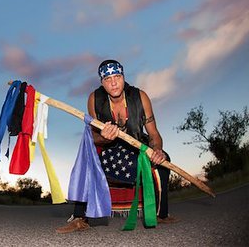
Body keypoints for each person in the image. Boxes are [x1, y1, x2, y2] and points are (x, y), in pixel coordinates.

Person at [56, 59, 178, 234]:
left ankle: (161, 214)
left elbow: (154, 134)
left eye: (117, 76)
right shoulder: (94, 99)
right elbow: (94, 138)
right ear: (102, 83)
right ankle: (79, 218)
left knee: (164, 161)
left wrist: (157, 149)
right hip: (110, 151)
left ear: (123, 77)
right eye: (107, 79)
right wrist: (105, 137)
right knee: (87, 161)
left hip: (137, 148)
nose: (113, 82)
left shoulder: (140, 96)